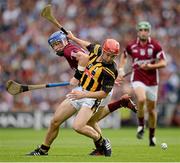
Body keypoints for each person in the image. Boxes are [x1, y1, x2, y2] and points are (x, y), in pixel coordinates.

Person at [27, 32, 120, 157]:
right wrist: (74, 38)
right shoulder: (98, 50)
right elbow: (88, 45)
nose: (109, 58)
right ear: (103, 50)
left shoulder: (111, 70)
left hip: (91, 98)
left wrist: (83, 93)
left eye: (112, 56)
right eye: (108, 54)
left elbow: (103, 94)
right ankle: (43, 150)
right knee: (55, 121)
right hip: (80, 90)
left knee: (78, 126)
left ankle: (102, 141)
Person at [117, 21, 167, 146]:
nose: (143, 32)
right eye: (141, 30)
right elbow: (124, 56)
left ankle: (152, 136)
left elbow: (163, 63)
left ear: (149, 32)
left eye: (146, 30)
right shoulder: (132, 45)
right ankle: (140, 125)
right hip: (138, 78)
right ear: (138, 32)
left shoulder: (155, 46)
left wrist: (151, 66)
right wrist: (121, 69)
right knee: (141, 98)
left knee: (151, 110)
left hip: (152, 81)